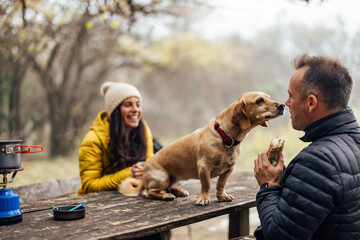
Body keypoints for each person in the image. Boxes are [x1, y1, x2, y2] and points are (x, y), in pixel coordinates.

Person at [253, 54, 360, 239]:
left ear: (311, 103)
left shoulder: (317, 161)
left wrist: (269, 185)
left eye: (290, 96)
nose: (286, 103)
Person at [78, 81, 156, 194]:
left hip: (131, 198)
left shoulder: (143, 129)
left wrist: (147, 171)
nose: (135, 110)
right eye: (128, 105)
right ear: (115, 110)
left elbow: (150, 163)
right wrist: (129, 174)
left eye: (138, 105)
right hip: (96, 204)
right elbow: (89, 185)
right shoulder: (93, 140)